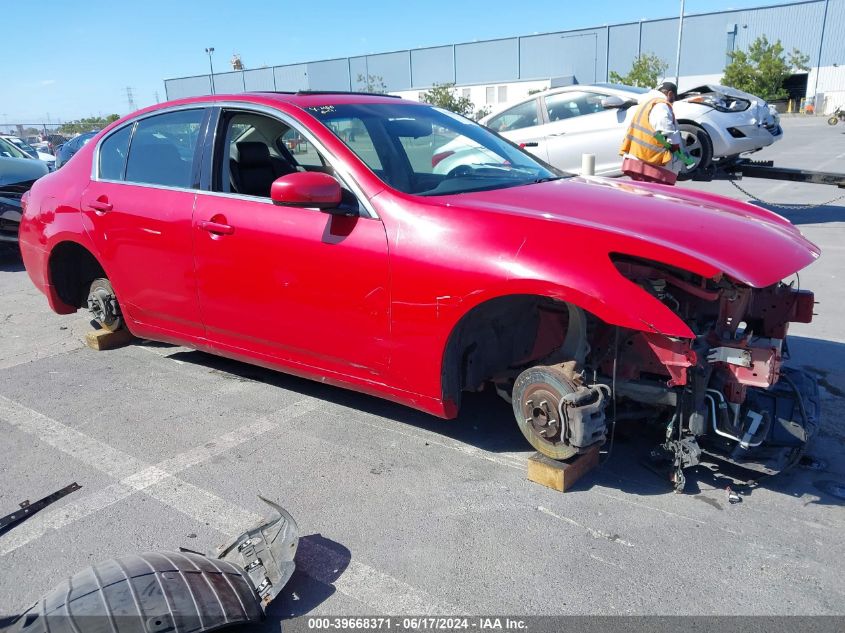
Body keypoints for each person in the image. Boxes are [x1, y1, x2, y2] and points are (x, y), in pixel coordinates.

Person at [619, 81, 683, 185]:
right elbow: (666, 134)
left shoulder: (647, 104)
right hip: (653, 165)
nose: (672, 103)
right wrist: (683, 157)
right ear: (670, 94)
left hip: (638, 159)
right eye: (674, 99)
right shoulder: (661, 106)